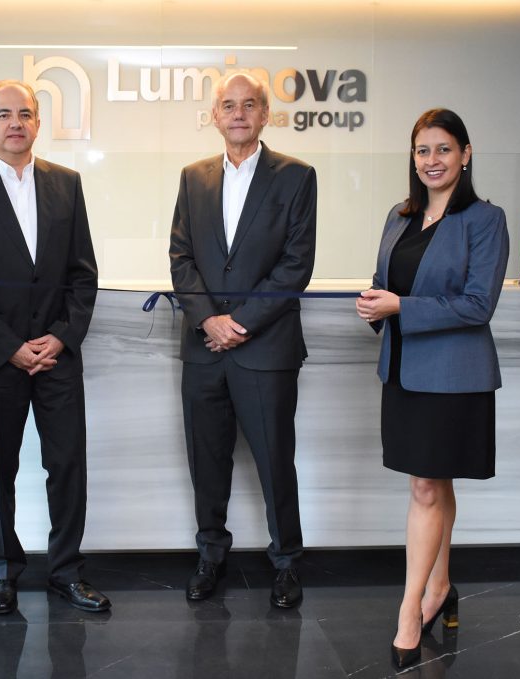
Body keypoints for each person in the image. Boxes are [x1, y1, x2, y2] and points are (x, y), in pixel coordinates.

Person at [0, 80, 109, 615]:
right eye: (4, 114)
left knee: (68, 466)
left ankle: (66, 571)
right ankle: (2, 573)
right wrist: (9, 347)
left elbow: (83, 274)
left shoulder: (67, 184)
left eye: (26, 114)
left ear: (38, 123)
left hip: (57, 354)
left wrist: (61, 336)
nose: (16, 123)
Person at [355, 108, 509, 670]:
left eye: (444, 149)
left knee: (424, 487)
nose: (432, 160)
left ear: (465, 154)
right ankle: (440, 585)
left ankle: (409, 611)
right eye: (423, 150)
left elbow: (478, 305)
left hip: (453, 375)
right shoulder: (399, 217)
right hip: (403, 371)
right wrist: (375, 303)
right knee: (433, 482)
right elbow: (388, 284)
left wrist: (400, 307)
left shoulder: (485, 219)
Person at [169, 72, 317, 608]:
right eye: (228, 105)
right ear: (215, 116)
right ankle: (210, 555)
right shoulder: (193, 177)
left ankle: (287, 562)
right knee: (206, 461)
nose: (238, 113)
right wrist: (209, 320)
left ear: (265, 115)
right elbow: (181, 257)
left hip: (266, 349)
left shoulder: (296, 177)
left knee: (276, 461)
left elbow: (296, 264)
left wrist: (241, 323)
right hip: (204, 349)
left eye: (249, 104)